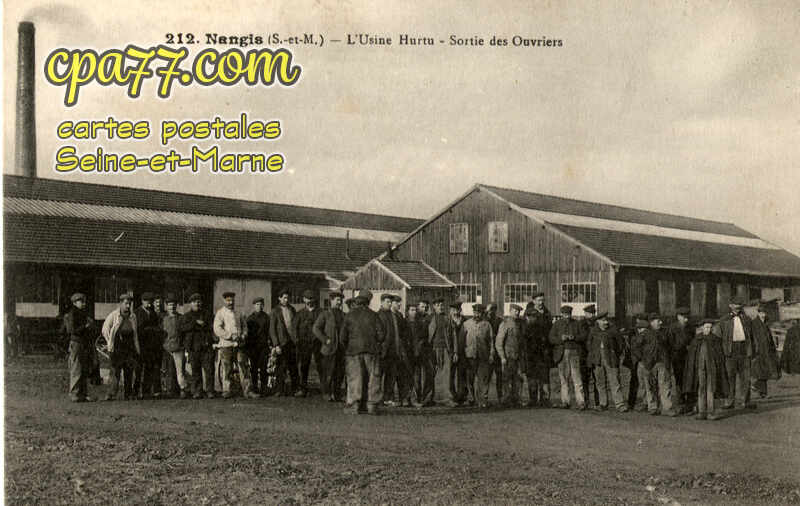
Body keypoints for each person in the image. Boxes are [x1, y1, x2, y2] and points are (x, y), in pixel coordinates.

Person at [340, 289, 385, 414]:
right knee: (373, 378)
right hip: (372, 351)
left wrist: (348, 347)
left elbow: (342, 337)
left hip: (353, 352)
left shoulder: (349, 315)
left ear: (358, 301)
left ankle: (354, 406)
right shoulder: (374, 315)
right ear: (368, 302)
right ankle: (372, 406)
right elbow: (382, 335)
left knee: (355, 378)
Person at [214, 291, 258, 399]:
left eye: (232, 300)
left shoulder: (239, 313)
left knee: (243, 366)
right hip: (226, 345)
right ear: (224, 301)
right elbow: (217, 329)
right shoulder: (220, 313)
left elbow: (245, 326)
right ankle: (227, 390)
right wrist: (229, 335)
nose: (230, 302)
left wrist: (243, 335)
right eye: (228, 300)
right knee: (227, 367)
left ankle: (247, 391)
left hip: (239, 344)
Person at [714, 298, 756, 410]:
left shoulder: (747, 319)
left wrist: (753, 351)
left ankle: (745, 401)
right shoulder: (724, 320)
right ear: (730, 306)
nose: (737, 308)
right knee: (729, 377)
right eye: (735, 305)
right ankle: (729, 401)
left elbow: (752, 336)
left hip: (744, 351)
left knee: (745, 377)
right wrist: (721, 352)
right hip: (730, 352)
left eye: (739, 305)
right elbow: (717, 337)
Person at [683, 319, 729, 420]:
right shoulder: (697, 340)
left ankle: (710, 412)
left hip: (712, 368)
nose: (708, 329)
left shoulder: (715, 340)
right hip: (700, 368)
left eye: (710, 327)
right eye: (706, 327)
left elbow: (719, 355)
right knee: (701, 388)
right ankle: (702, 411)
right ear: (702, 328)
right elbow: (692, 357)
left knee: (711, 389)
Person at [102, 293, 140, 401]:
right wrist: (110, 341)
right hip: (117, 346)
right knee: (115, 371)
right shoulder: (113, 315)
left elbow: (135, 333)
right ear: (120, 304)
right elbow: (105, 329)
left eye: (130, 304)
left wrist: (136, 348)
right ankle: (111, 394)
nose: (128, 306)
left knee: (129, 370)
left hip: (129, 346)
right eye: (126, 304)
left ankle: (128, 393)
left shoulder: (133, 316)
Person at [586, 312, 628, 412]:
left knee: (615, 382)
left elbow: (620, 344)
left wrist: (614, 354)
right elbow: (589, 344)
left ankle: (619, 404)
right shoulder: (593, 331)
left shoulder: (613, 330)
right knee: (600, 383)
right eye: (603, 320)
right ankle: (603, 403)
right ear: (598, 321)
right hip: (598, 360)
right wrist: (594, 355)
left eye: (606, 320)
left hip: (611, 360)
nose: (605, 322)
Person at [639, 314, 677, 416]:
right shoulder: (644, 334)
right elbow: (637, 347)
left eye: (660, 320)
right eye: (658, 321)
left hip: (662, 362)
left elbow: (671, 347)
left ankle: (667, 408)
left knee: (665, 385)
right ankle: (653, 407)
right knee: (650, 386)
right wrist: (643, 359)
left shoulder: (665, 333)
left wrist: (668, 360)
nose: (660, 322)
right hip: (648, 363)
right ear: (651, 322)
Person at [549, 306, 585, 410]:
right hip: (562, 353)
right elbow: (551, 338)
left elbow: (583, 336)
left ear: (571, 314)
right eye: (565, 314)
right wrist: (561, 338)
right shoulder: (557, 324)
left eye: (568, 314)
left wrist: (574, 337)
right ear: (561, 314)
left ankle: (581, 402)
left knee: (577, 378)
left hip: (574, 353)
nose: (567, 316)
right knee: (564, 379)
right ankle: (565, 401)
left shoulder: (576, 323)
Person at [181, 293, 215, 399]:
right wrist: (195, 323)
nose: (197, 304)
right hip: (193, 347)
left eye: (199, 301)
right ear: (190, 304)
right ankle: (197, 391)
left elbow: (212, 327)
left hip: (206, 346)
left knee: (209, 369)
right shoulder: (186, 316)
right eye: (195, 302)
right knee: (195, 371)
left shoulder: (207, 315)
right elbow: (182, 329)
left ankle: (210, 390)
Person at [64, 293, 97, 402]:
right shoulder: (72, 315)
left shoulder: (83, 314)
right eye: (81, 301)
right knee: (76, 368)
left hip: (84, 343)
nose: (83, 303)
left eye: (84, 301)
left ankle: (82, 394)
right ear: (74, 303)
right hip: (77, 343)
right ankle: (74, 393)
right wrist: (86, 326)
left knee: (84, 369)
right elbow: (72, 331)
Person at [313, 291, 346, 401]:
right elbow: (316, 328)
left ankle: (336, 394)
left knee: (339, 373)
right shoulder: (325, 314)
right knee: (328, 373)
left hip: (341, 349)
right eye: (337, 300)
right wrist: (325, 339)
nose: (339, 302)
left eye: (340, 300)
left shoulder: (343, 315)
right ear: (331, 301)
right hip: (328, 349)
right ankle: (326, 393)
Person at [269, 288, 300, 396]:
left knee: (293, 367)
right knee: (280, 367)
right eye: (284, 298)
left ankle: (295, 389)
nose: (286, 300)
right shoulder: (275, 311)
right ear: (279, 298)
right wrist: (276, 344)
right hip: (282, 343)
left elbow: (295, 325)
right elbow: (272, 330)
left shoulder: (292, 309)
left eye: (288, 298)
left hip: (292, 342)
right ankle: (279, 389)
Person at [462, 303, 494, 407]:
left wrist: (491, 354)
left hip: (482, 355)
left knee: (483, 378)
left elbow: (491, 341)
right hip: (470, 355)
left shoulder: (487, 325)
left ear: (482, 313)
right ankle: (471, 398)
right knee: (469, 378)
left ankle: (482, 400)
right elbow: (461, 341)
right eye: (475, 312)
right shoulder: (466, 324)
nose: (477, 314)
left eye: (479, 312)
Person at [523, 292, 552, 407]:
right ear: (534, 301)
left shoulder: (547, 313)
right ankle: (533, 399)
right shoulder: (529, 313)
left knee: (544, 375)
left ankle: (545, 399)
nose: (541, 303)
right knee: (532, 375)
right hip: (531, 349)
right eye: (539, 300)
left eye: (542, 300)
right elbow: (525, 332)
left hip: (544, 349)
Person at [294, 289, 324, 397]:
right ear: (303, 300)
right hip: (304, 343)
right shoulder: (300, 314)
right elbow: (295, 329)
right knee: (304, 366)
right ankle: (303, 389)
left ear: (315, 300)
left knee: (321, 365)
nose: (309, 301)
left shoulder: (321, 313)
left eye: (311, 299)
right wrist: (297, 341)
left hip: (318, 343)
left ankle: (324, 389)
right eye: (307, 299)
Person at [134, 292, 162, 399]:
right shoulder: (136, 313)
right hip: (140, 345)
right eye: (146, 301)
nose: (149, 304)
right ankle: (135, 391)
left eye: (150, 302)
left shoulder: (153, 313)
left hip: (151, 346)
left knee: (149, 369)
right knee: (138, 369)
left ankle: (146, 391)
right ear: (142, 301)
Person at [496, 304, 525, 407]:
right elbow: (499, 342)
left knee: (518, 379)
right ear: (510, 311)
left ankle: (516, 399)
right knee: (507, 379)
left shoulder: (521, 324)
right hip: (508, 357)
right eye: (515, 311)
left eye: (518, 311)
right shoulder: (505, 324)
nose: (517, 313)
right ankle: (506, 400)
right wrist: (502, 357)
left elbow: (522, 342)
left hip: (518, 357)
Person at [429, 298, 455, 406]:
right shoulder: (430, 319)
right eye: (438, 305)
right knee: (433, 374)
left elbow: (453, 336)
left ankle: (446, 398)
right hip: (433, 349)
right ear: (434, 307)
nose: (440, 307)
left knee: (446, 374)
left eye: (441, 305)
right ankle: (433, 398)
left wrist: (455, 351)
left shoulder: (447, 319)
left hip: (445, 349)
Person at [668, 307, 695, 414]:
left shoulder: (690, 327)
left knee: (690, 378)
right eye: (684, 317)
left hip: (688, 357)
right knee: (679, 380)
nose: (686, 319)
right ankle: (681, 402)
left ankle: (690, 403)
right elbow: (670, 343)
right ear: (678, 316)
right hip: (677, 358)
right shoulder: (672, 328)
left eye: (687, 317)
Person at [750, 304, 780, 399]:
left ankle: (762, 392)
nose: (763, 314)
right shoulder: (754, 323)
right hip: (759, 351)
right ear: (758, 313)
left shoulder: (765, 323)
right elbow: (752, 337)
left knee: (765, 371)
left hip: (767, 350)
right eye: (761, 312)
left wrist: (773, 346)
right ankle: (757, 387)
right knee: (762, 371)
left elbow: (769, 337)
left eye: (765, 313)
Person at [407, 303, 434, 406]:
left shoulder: (420, 323)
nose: (413, 312)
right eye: (411, 310)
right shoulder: (406, 323)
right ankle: (411, 399)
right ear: (408, 312)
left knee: (419, 377)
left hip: (419, 354)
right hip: (410, 354)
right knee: (411, 377)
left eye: (414, 310)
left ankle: (418, 399)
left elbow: (423, 337)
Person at [161, 294, 188, 398]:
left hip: (178, 348)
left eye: (173, 305)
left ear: (176, 306)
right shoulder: (163, 318)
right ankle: (169, 390)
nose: (171, 307)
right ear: (166, 306)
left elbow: (184, 334)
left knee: (180, 371)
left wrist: (184, 347)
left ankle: (183, 389)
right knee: (167, 370)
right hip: (166, 348)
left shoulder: (181, 318)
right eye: (169, 305)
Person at [246, 297, 271, 395]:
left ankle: (264, 388)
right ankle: (255, 387)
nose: (259, 306)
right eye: (257, 304)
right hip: (253, 347)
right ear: (254, 306)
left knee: (264, 367)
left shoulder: (266, 317)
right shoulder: (250, 318)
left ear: (263, 306)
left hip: (263, 346)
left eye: (261, 304)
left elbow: (269, 331)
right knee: (254, 368)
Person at [580, 304, 598, 409]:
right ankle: (586, 401)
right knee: (585, 379)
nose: (590, 315)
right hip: (584, 354)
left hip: (594, 354)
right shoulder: (582, 324)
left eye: (592, 313)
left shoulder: (596, 323)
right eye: (588, 313)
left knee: (597, 378)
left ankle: (597, 401)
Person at [485, 303, 503, 404]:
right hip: (487, 353)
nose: (491, 312)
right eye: (489, 310)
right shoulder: (484, 321)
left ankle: (500, 397)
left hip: (498, 354)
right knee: (486, 376)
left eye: (493, 310)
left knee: (499, 376)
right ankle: (485, 397)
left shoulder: (500, 321)